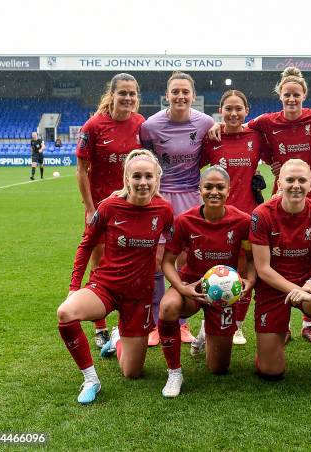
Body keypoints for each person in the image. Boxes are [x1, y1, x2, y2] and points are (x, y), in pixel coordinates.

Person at [209, 67, 311, 343]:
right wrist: (216, 124)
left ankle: (308, 322)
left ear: (304, 95)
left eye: (296, 94)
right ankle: (281, 319)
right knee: (280, 257)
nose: (291, 99)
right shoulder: (266, 122)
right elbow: (239, 126)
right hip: (281, 197)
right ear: (280, 96)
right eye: (287, 94)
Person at [56, 149, 174, 404]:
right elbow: (86, 244)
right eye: (137, 176)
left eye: (148, 177)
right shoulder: (109, 206)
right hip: (106, 286)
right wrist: (74, 286)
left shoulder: (164, 210)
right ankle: (91, 380)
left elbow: (176, 247)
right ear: (126, 179)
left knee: (132, 373)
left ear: (157, 179)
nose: (143, 182)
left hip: (139, 295)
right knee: (66, 313)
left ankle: (117, 336)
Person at [249, 159, 311, 398]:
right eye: (290, 180)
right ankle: (273, 341)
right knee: (271, 372)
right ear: (279, 182)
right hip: (273, 287)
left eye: (302, 180)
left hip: (308, 284)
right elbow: (263, 269)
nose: (296, 185)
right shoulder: (261, 215)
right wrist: (294, 289)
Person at [157, 166, 255, 397]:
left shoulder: (242, 221)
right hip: (193, 285)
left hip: (225, 292)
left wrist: (250, 280)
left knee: (219, 368)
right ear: (199, 189)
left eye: (220, 187)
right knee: (168, 306)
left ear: (228, 190)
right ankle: (174, 373)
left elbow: (252, 258)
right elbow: (168, 262)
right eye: (208, 187)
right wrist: (181, 287)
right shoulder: (185, 221)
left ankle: (204, 333)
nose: (214, 192)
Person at [140, 71, 215, 346]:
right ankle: (157, 323)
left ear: (193, 96)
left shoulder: (205, 123)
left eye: (185, 92)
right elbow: (146, 160)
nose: (180, 96)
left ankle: (181, 323)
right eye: (175, 91)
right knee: (159, 259)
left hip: (191, 197)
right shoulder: (151, 126)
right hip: (161, 198)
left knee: (183, 259)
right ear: (167, 95)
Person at [75, 73, 145, 348]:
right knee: (101, 266)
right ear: (112, 94)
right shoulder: (93, 126)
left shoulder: (141, 124)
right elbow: (81, 171)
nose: (127, 98)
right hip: (102, 211)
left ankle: (126, 323)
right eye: (123, 93)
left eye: (132, 94)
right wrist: (91, 208)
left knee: (133, 267)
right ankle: (100, 327)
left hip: (132, 211)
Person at [200, 89, 268, 345]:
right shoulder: (211, 139)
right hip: (218, 217)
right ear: (221, 111)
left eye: (238, 108)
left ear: (246, 111)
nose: (233, 113)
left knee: (247, 270)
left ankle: (237, 326)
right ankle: (211, 324)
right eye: (228, 108)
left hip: (248, 217)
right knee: (217, 271)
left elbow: (275, 160)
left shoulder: (256, 136)